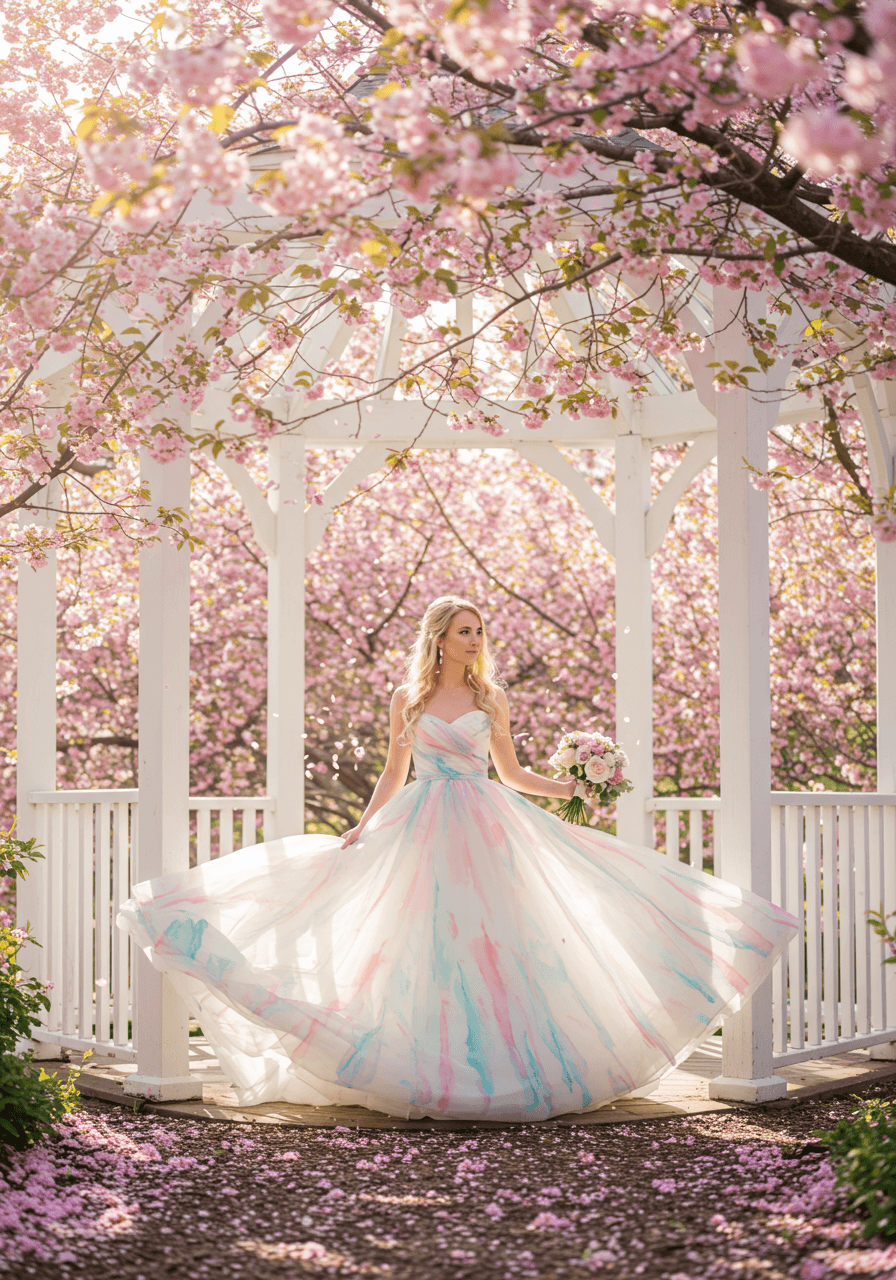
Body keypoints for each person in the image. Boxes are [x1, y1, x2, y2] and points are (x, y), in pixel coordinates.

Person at [118, 594, 797, 1122]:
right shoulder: (407, 698)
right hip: (422, 823)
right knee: (416, 945)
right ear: (439, 637)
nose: (476, 640)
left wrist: (573, 786)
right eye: (465, 630)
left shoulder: (489, 697)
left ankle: (509, 1069)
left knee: (500, 945)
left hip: (486, 823)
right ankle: (434, 1070)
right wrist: (361, 827)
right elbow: (393, 771)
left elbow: (511, 772)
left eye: (480, 631)